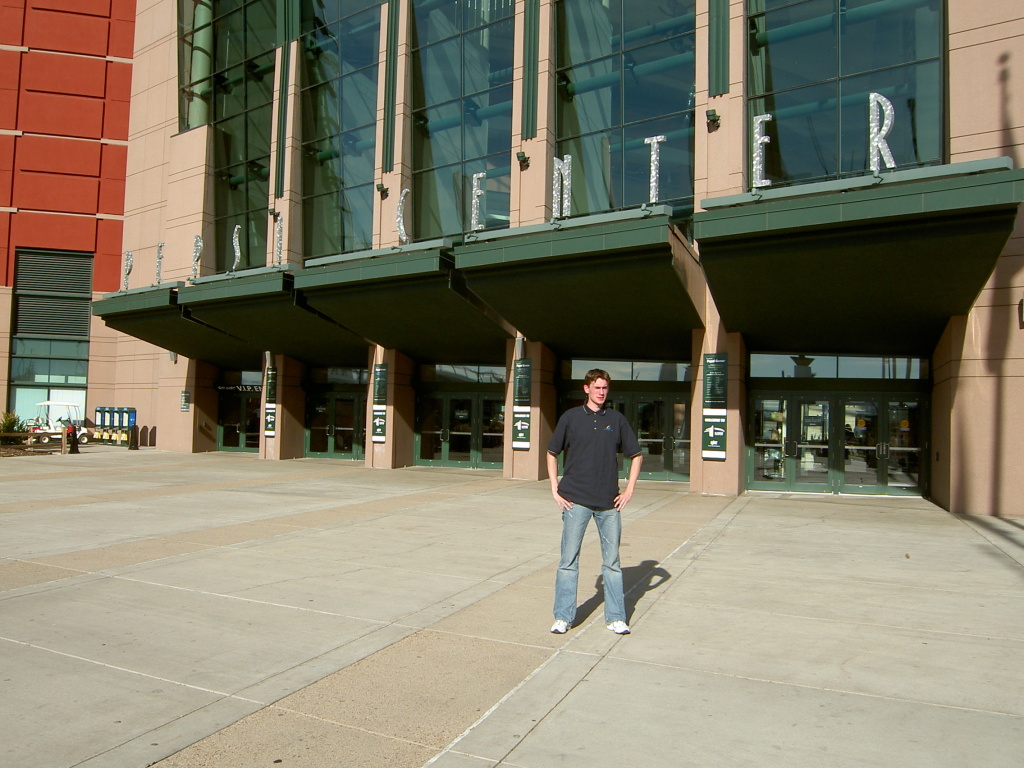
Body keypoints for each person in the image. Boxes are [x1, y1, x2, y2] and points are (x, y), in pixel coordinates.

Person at [547, 369, 643, 635]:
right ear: (586, 388)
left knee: (612, 564)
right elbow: (551, 452)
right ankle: (563, 616)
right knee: (568, 561)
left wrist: (629, 490)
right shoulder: (571, 418)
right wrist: (554, 488)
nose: (602, 392)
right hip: (575, 500)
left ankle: (616, 617)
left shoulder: (616, 419)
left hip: (609, 504)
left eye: (605, 388)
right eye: (597, 387)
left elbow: (636, 455)